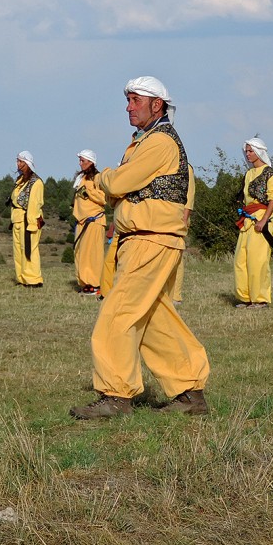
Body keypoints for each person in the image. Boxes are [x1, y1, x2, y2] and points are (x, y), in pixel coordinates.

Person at [70, 76, 210, 419]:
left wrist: (104, 177)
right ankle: (190, 392)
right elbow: (117, 188)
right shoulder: (145, 141)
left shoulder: (160, 142)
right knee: (152, 317)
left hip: (151, 237)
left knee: (117, 313)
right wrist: (112, 183)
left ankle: (116, 396)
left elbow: (117, 183)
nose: (128, 107)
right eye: (128, 100)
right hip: (144, 238)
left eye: (135, 100)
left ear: (156, 104)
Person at [233, 138, 273, 309]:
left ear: (259, 152)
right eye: (246, 151)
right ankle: (245, 297)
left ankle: (260, 299)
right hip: (247, 220)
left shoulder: (269, 173)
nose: (247, 154)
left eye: (250, 151)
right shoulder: (248, 174)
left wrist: (264, 220)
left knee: (257, 260)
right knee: (241, 259)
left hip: (261, 218)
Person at [72, 149, 107, 296]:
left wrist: (89, 192)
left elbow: (103, 199)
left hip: (94, 220)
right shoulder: (82, 178)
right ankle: (85, 283)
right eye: (80, 161)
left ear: (91, 162)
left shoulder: (98, 178)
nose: (80, 164)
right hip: (81, 221)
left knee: (92, 254)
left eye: (83, 161)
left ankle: (95, 284)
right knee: (80, 254)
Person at [8, 151, 45, 287]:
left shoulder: (36, 182)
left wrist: (32, 224)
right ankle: (22, 277)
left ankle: (33, 279)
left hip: (28, 220)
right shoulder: (20, 181)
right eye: (17, 161)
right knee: (18, 250)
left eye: (21, 162)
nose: (18, 164)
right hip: (17, 219)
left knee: (29, 249)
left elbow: (34, 204)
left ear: (28, 164)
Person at [171, 162, 196, 306]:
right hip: (164, 216)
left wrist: (185, 218)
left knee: (177, 256)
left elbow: (189, 195)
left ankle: (176, 295)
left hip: (179, 216)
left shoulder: (186, 168)